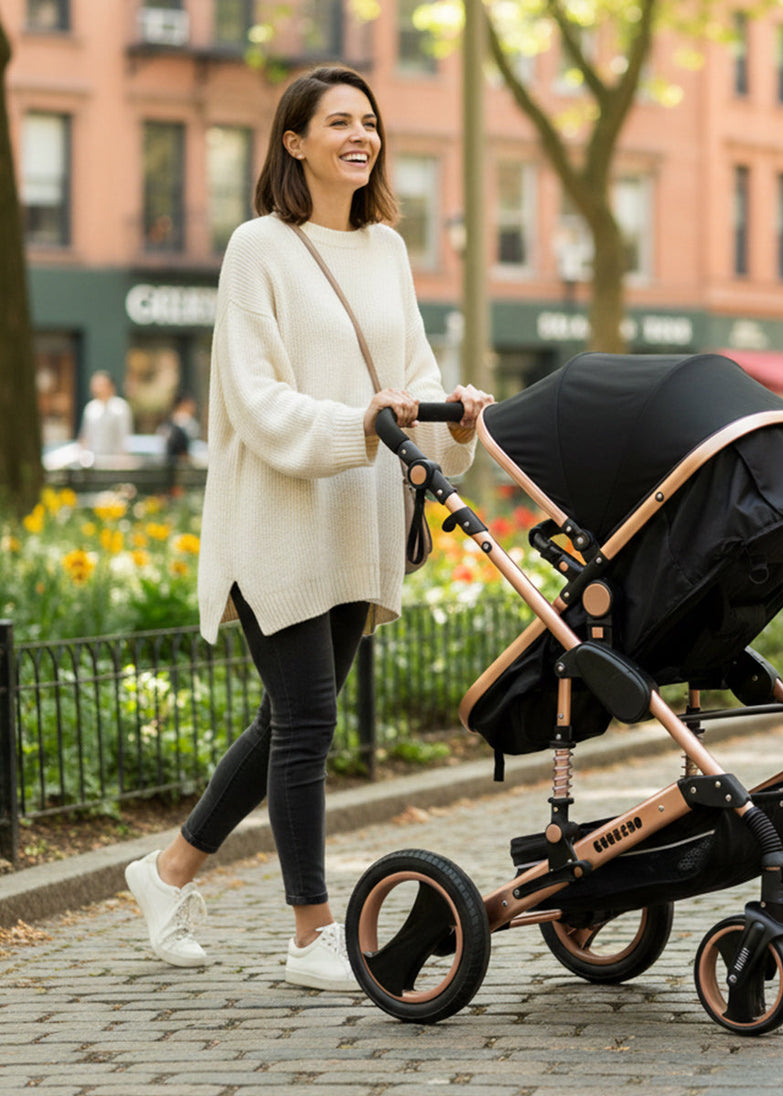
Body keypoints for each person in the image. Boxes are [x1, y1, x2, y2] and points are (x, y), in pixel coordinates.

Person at [124, 65, 494, 990]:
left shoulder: (388, 250)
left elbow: (410, 373)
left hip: (356, 520)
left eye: (368, 122)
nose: (359, 136)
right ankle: (310, 935)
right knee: (308, 722)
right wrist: (354, 423)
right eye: (338, 123)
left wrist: (454, 416)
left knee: (288, 721)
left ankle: (165, 872)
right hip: (281, 517)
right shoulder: (259, 248)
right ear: (295, 142)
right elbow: (254, 397)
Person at [78, 371, 133, 460]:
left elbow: (125, 436)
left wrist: (123, 457)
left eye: (101, 385)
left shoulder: (121, 407)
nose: (97, 388)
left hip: (114, 460)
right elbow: (85, 435)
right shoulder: (90, 408)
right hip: (94, 459)